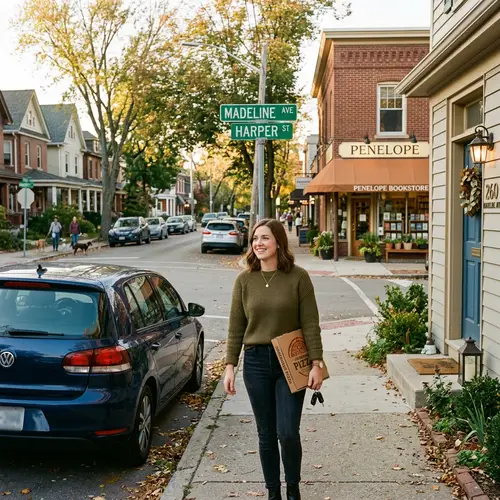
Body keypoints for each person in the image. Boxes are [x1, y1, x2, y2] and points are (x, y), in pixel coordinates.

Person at [224, 218, 324, 500]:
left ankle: (293, 489)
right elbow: (235, 327)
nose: (258, 243)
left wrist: (316, 363)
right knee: (266, 434)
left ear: (279, 241)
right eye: (255, 238)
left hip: (290, 362)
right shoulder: (244, 280)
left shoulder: (298, 277)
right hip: (255, 362)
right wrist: (230, 366)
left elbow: (310, 323)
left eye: (265, 238)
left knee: (288, 432)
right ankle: (273, 494)